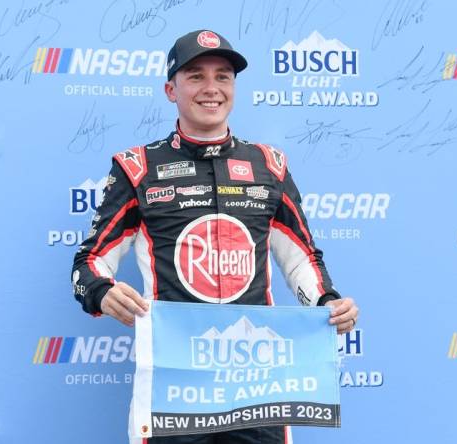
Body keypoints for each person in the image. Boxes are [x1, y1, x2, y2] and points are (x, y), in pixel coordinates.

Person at [72, 29, 359, 444]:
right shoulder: (136, 167)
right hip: (174, 384)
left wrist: (327, 303)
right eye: (195, 76)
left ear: (234, 88)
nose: (211, 89)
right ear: (171, 89)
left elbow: (301, 259)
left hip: (258, 384)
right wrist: (101, 291)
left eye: (223, 76)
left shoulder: (269, 165)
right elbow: (89, 263)